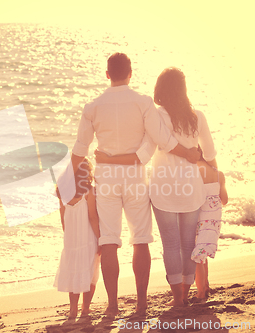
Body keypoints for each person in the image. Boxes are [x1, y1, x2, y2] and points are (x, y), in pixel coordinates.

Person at [71, 53, 200, 316]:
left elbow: (79, 150)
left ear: (107, 75)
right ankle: (141, 304)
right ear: (130, 73)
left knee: (109, 241)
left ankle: (113, 305)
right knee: (140, 240)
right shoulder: (142, 103)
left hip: (106, 178)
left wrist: (72, 183)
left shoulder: (92, 107)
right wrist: (187, 153)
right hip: (135, 177)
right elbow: (161, 140)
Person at [95, 67, 217, 307]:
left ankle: (178, 298)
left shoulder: (156, 115)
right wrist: (216, 178)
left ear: (160, 90)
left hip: (163, 189)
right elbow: (210, 154)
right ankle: (185, 290)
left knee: (170, 244)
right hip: (190, 189)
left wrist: (113, 160)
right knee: (187, 245)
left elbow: (148, 150)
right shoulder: (198, 117)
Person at [54, 158, 101, 318]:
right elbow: (93, 217)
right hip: (87, 238)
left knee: (74, 273)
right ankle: (85, 308)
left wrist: (68, 237)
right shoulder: (90, 192)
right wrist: (100, 238)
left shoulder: (63, 192)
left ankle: (73, 310)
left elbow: (62, 218)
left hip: (71, 240)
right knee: (91, 273)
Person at [191, 153, 228, 300]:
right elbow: (224, 200)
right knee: (202, 252)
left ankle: (200, 293)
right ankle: (205, 286)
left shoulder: (194, 172)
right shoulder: (219, 175)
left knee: (198, 256)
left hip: (200, 219)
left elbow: (192, 198)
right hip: (214, 221)